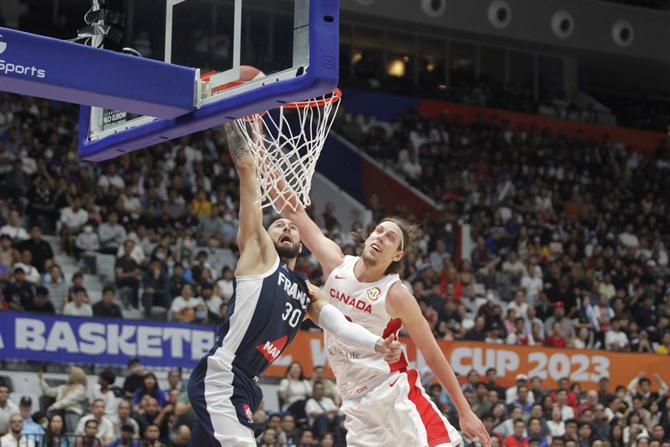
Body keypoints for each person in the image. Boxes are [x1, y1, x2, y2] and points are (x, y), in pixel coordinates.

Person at [186, 122, 402, 447]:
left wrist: (377, 344)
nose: (286, 227)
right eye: (278, 226)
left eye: (292, 227)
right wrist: (237, 115)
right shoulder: (257, 253)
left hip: (245, 384)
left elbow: (338, 325)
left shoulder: (307, 292)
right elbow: (247, 168)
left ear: (301, 246)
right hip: (223, 376)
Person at [276, 186, 491, 446]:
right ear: (368, 237)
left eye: (390, 237)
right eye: (378, 231)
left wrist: (465, 411)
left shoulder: (396, 294)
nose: (380, 237)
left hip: (395, 396)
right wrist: (261, 160)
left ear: (398, 255)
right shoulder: (336, 264)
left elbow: (432, 353)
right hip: (355, 405)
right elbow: (293, 210)